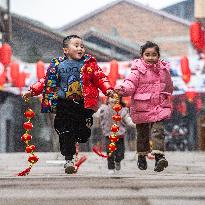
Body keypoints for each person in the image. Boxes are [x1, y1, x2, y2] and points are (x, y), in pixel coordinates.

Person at [23, 35, 114, 174]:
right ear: (65, 50)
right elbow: (45, 81)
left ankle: (82, 131)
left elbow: (101, 78)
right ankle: (69, 159)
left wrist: (108, 90)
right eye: (76, 46)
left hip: (83, 105)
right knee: (65, 131)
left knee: (83, 134)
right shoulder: (58, 65)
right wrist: (32, 91)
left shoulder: (89, 64)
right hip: (63, 104)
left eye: (82, 46)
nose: (80, 48)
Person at [115, 41, 173, 172]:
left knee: (158, 131)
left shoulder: (164, 70)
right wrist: (122, 89)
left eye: (154, 54)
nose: (151, 57)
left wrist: (165, 95)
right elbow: (129, 84)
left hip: (159, 106)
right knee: (142, 135)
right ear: (142, 56)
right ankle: (142, 156)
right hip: (142, 107)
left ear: (158, 56)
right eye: (147, 54)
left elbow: (169, 86)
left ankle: (159, 157)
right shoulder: (137, 71)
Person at [95, 96, 135, 174]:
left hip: (120, 135)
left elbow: (128, 119)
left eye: (116, 98)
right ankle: (111, 167)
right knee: (110, 152)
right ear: (108, 99)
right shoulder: (104, 108)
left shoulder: (123, 110)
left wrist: (134, 124)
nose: (113, 99)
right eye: (111, 97)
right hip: (108, 134)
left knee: (120, 153)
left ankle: (118, 161)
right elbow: (96, 114)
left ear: (119, 100)